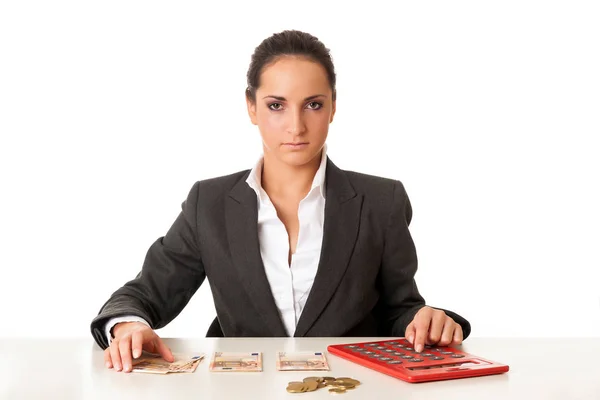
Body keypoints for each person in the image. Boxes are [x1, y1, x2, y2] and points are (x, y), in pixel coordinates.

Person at [91, 29, 471, 373]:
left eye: (313, 104)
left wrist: (425, 319)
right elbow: (144, 294)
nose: (296, 126)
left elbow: (400, 308)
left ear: (334, 107)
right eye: (276, 105)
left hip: (352, 389)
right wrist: (128, 326)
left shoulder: (381, 201)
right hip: (243, 390)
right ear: (252, 107)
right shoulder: (209, 203)